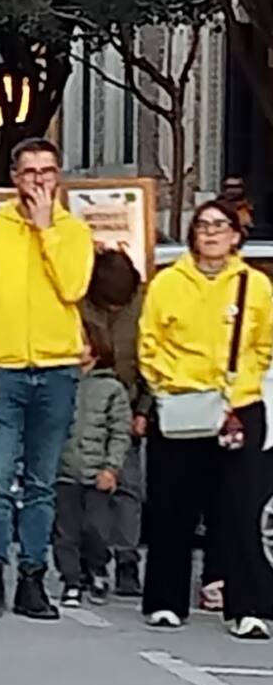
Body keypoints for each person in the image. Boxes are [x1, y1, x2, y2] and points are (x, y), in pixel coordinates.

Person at [0, 138, 94, 621]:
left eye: (47, 171)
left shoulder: (74, 233)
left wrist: (45, 230)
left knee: (41, 483)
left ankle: (33, 578)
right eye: (29, 171)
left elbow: (74, 286)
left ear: (58, 178)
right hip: (3, 370)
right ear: (14, 177)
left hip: (56, 369)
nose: (38, 180)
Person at [139, 200, 273, 638]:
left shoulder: (256, 286)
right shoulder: (167, 284)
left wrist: (239, 388)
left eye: (221, 226)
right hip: (180, 404)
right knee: (172, 507)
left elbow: (266, 344)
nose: (211, 233)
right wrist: (167, 384)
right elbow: (150, 342)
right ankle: (164, 601)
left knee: (239, 510)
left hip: (237, 408)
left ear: (236, 236)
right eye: (203, 226)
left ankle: (246, 606)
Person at [81, 249, 147, 596]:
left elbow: (153, 355)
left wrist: (144, 410)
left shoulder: (143, 301)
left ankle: (127, 561)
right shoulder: (80, 302)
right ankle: (93, 560)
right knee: (90, 488)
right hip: (87, 403)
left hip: (129, 401)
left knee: (128, 488)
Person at [54, 322, 132, 607]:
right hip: (63, 471)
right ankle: (71, 581)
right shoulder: (60, 383)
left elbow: (119, 431)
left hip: (98, 472)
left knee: (96, 528)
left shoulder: (111, 388)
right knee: (65, 531)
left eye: (83, 342)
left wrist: (111, 468)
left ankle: (97, 568)